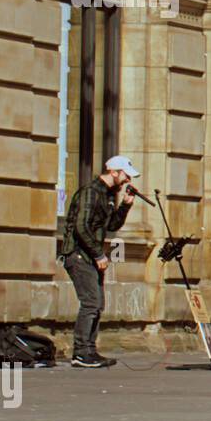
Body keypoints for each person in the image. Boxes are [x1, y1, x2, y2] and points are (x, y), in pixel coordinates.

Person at [59, 155, 139, 368]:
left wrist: (125, 206)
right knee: (91, 302)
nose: (127, 181)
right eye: (125, 176)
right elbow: (80, 227)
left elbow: (111, 225)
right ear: (114, 172)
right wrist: (98, 254)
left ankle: (89, 350)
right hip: (78, 254)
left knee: (97, 303)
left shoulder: (108, 195)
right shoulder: (90, 192)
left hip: (90, 256)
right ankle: (81, 352)